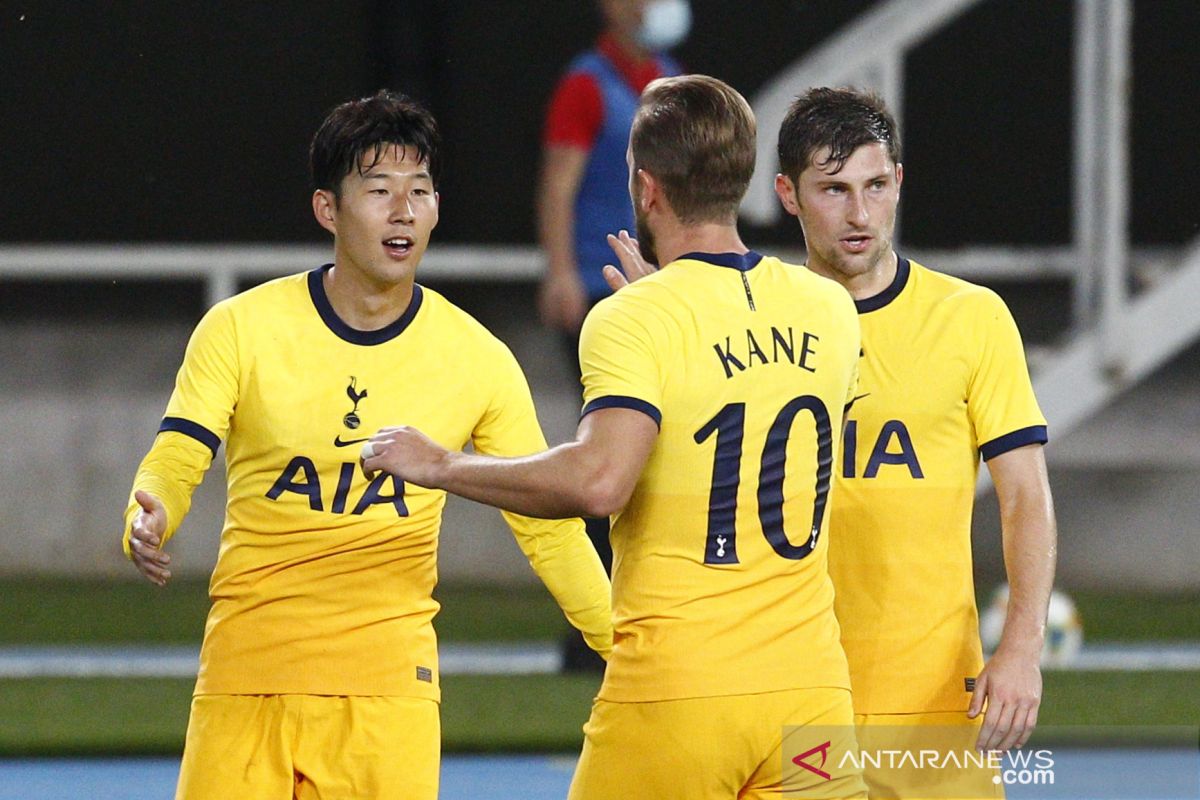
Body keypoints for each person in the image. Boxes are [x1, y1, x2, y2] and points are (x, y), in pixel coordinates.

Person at [362, 75, 867, 800]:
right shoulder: (829, 309)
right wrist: (666, 311)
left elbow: (600, 481)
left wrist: (444, 464)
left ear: (645, 185)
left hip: (679, 692)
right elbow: (751, 395)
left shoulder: (636, 320)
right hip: (813, 697)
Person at [121, 90, 613, 800]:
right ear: (329, 209)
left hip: (390, 694)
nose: (404, 211)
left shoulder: (476, 356)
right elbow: (180, 448)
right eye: (379, 190)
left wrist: (619, 645)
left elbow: (546, 525)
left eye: (421, 191)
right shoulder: (240, 328)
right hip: (247, 678)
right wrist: (151, 512)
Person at [771, 87, 1058, 796]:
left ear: (899, 181)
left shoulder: (971, 318)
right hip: (790, 696)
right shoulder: (758, 324)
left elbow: (1025, 495)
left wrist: (1022, 648)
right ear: (787, 194)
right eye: (833, 190)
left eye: (875, 185)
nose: (859, 213)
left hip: (934, 704)